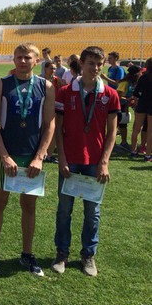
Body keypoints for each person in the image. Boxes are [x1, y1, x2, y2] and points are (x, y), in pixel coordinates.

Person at [0, 43, 55, 277]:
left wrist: (40, 157)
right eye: (19, 57)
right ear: (13, 60)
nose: (23, 61)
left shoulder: (46, 87)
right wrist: (4, 156)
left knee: (29, 206)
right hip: (6, 156)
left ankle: (27, 253)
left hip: (31, 157)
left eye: (27, 57)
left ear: (36, 61)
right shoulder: (1, 85)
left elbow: (50, 124)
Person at [52, 46, 120, 277]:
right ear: (81, 64)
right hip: (70, 160)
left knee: (92, 212)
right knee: (64, 210)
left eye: (99, 64)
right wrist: (61, 158)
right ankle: (62, 253)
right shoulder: (65, 92)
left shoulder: (110, 94)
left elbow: (112, 133)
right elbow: (58, 129)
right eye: (91, 63)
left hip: (95, 163)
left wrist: (105, 162)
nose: (96, 68)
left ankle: (88, 255)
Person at [130, 58, 152, 161]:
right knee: (150, 131)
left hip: (142, 104)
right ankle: (147, 155)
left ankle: (133, 151)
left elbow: (136, 93)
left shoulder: (143, 77)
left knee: (136, 128)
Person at [116, 65, 141, 151]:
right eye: (139, 73)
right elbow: (117, 96)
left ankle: (124, 143)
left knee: (123, 124)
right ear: (135, 74)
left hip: (125, 105)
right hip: (118, 105)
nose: (140, 74)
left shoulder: (133, 82)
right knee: (118, 124)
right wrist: (128, 99)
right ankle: (113, 144)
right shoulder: (125, 83)